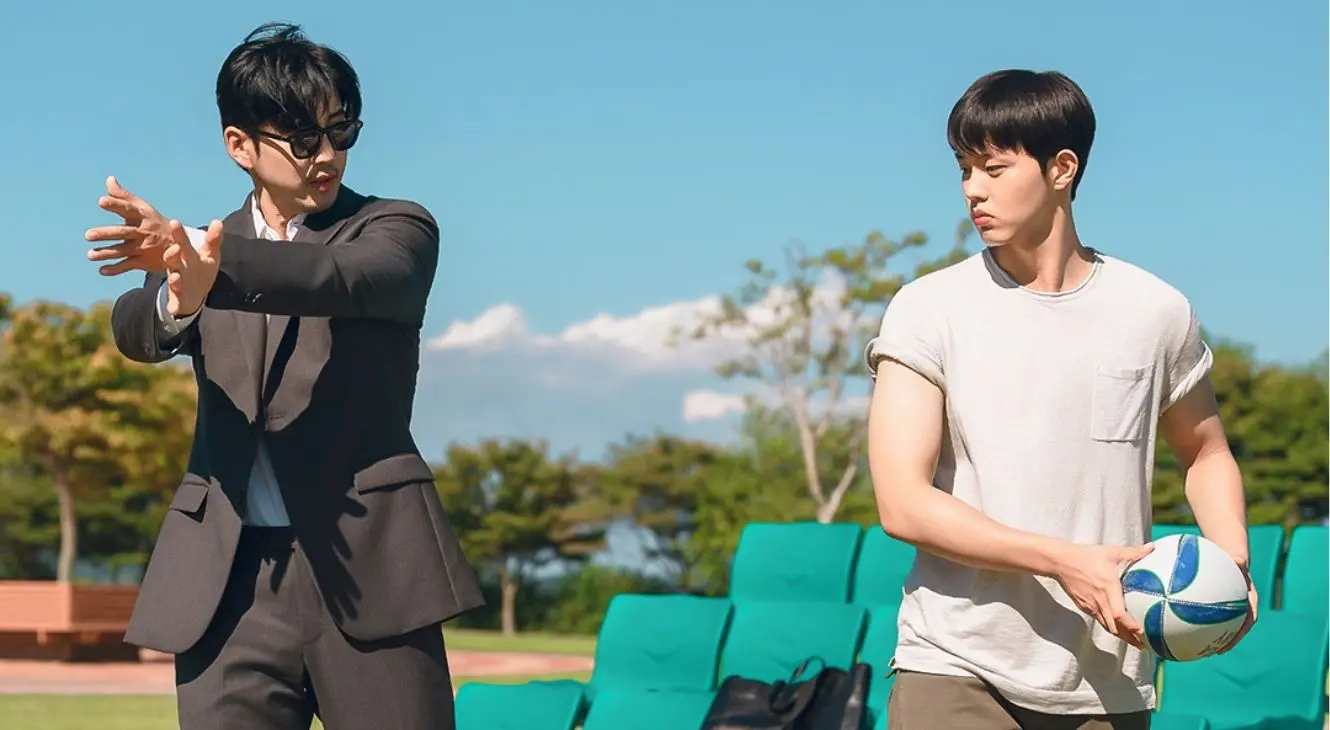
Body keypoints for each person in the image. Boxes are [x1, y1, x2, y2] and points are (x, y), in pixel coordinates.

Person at [84, 22, 483, 730]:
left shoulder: (393, 229)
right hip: (228, 582)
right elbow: (136, 329)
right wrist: (183, 291)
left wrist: (213, 271)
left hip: (375, 573)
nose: (327, 155)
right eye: (302, 138)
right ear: (240, 144)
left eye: (342, 130)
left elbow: (340, 277)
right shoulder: (204, 254)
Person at [864, 69, 1255, 730]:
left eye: (992, 167)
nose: (972, 190)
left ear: (1062, 168)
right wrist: (1065, 561)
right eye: (963, 169)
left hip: (1110, 682)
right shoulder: (928, 309)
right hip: (956, 666)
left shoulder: (1155, 311)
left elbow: (1205, 452)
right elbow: (902, 504)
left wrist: (1230, 564)